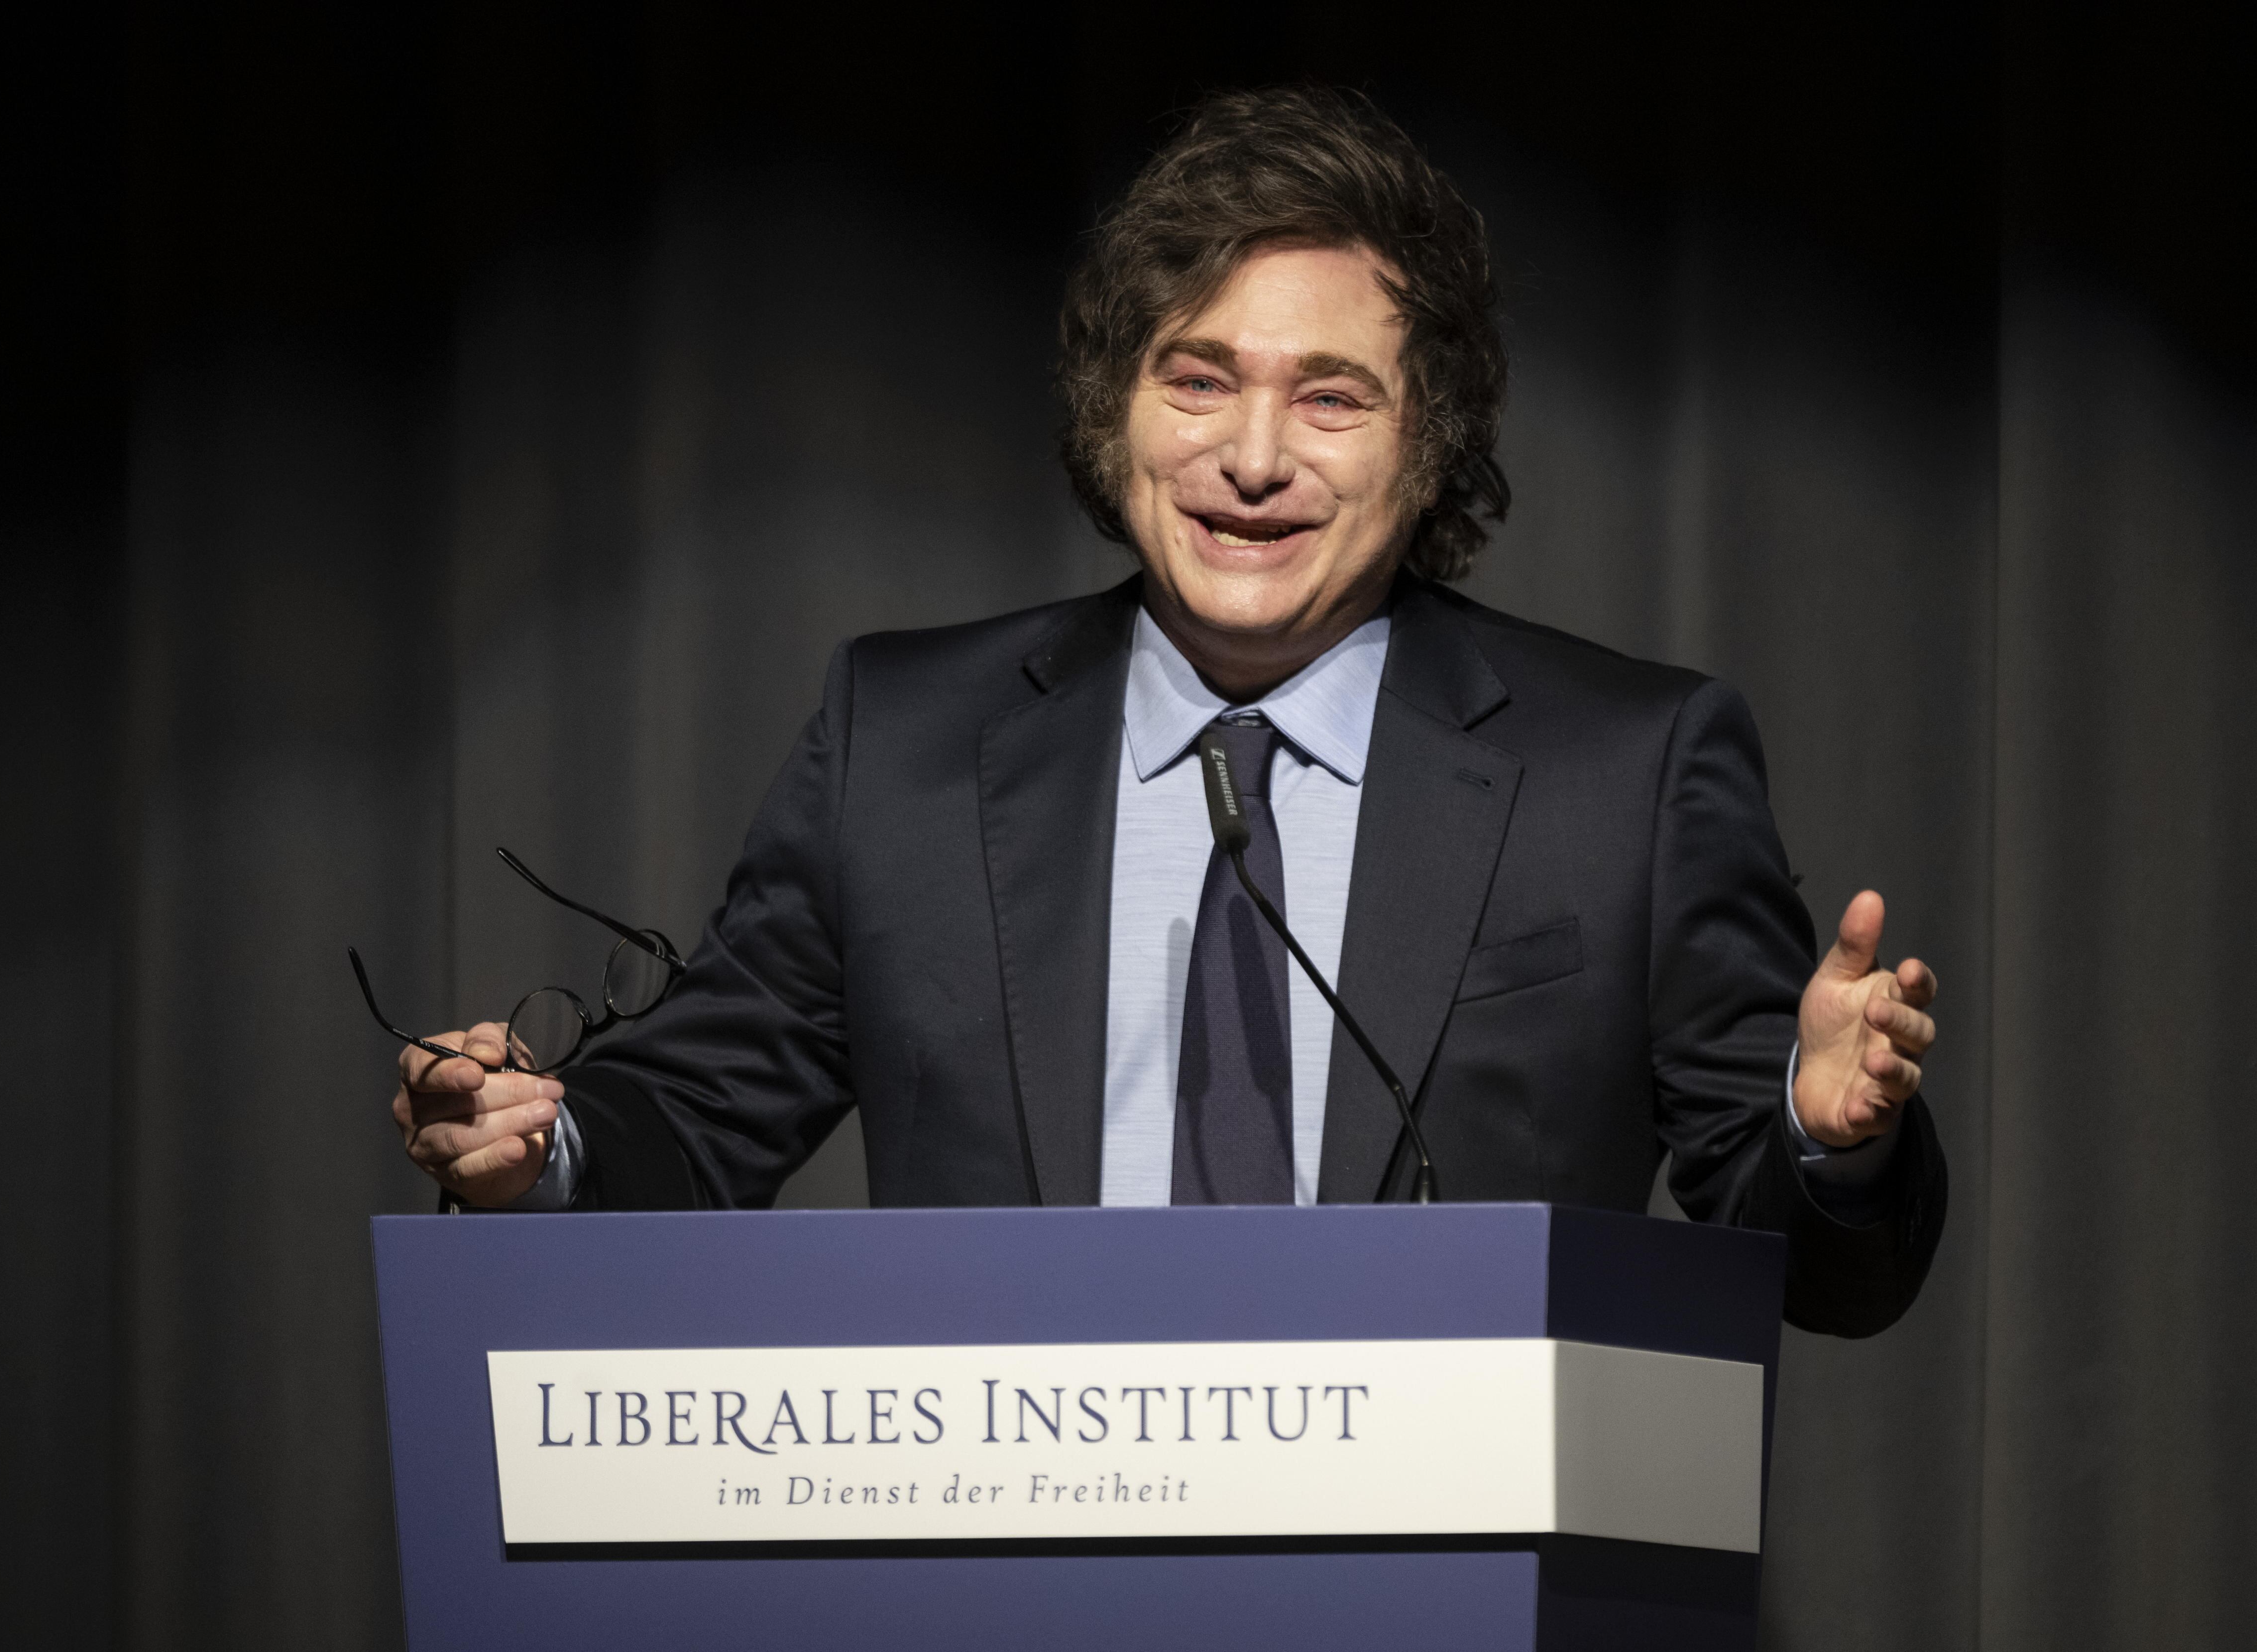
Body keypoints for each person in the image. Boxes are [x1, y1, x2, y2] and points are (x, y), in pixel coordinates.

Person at [389, 86, 1945, 1336]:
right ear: (1114, 408)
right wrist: (543, 1151)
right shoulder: (904, 741)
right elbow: (695, 1121)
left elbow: (1814, 1271)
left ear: (1431, 445)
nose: (1253, 456)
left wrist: (1828, 1134)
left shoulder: (1631, 769)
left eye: (1332, 398)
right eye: (1196, 380)